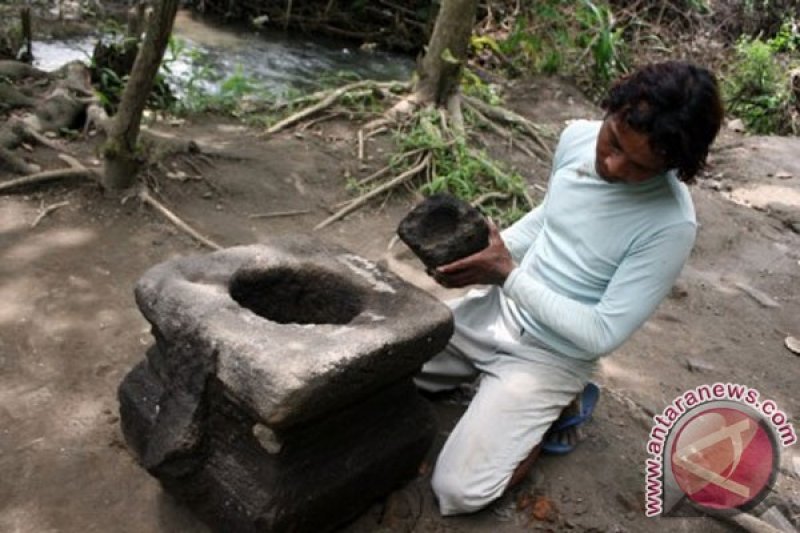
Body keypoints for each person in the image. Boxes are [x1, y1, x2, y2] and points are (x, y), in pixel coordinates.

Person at [415, 61, 724, 516]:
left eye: (640, 166)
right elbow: (551, 216)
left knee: (459, 491)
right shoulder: (577, 137)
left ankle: (555, 413)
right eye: (614, 142)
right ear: (611, 111)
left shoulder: (670, 225)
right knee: (393, 370)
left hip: (551, 355)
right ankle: (496, 395)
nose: (613, 166)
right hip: (498, 308)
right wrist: (483, 256)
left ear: (673, 165)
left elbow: (601, 333)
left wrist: (506, 274)